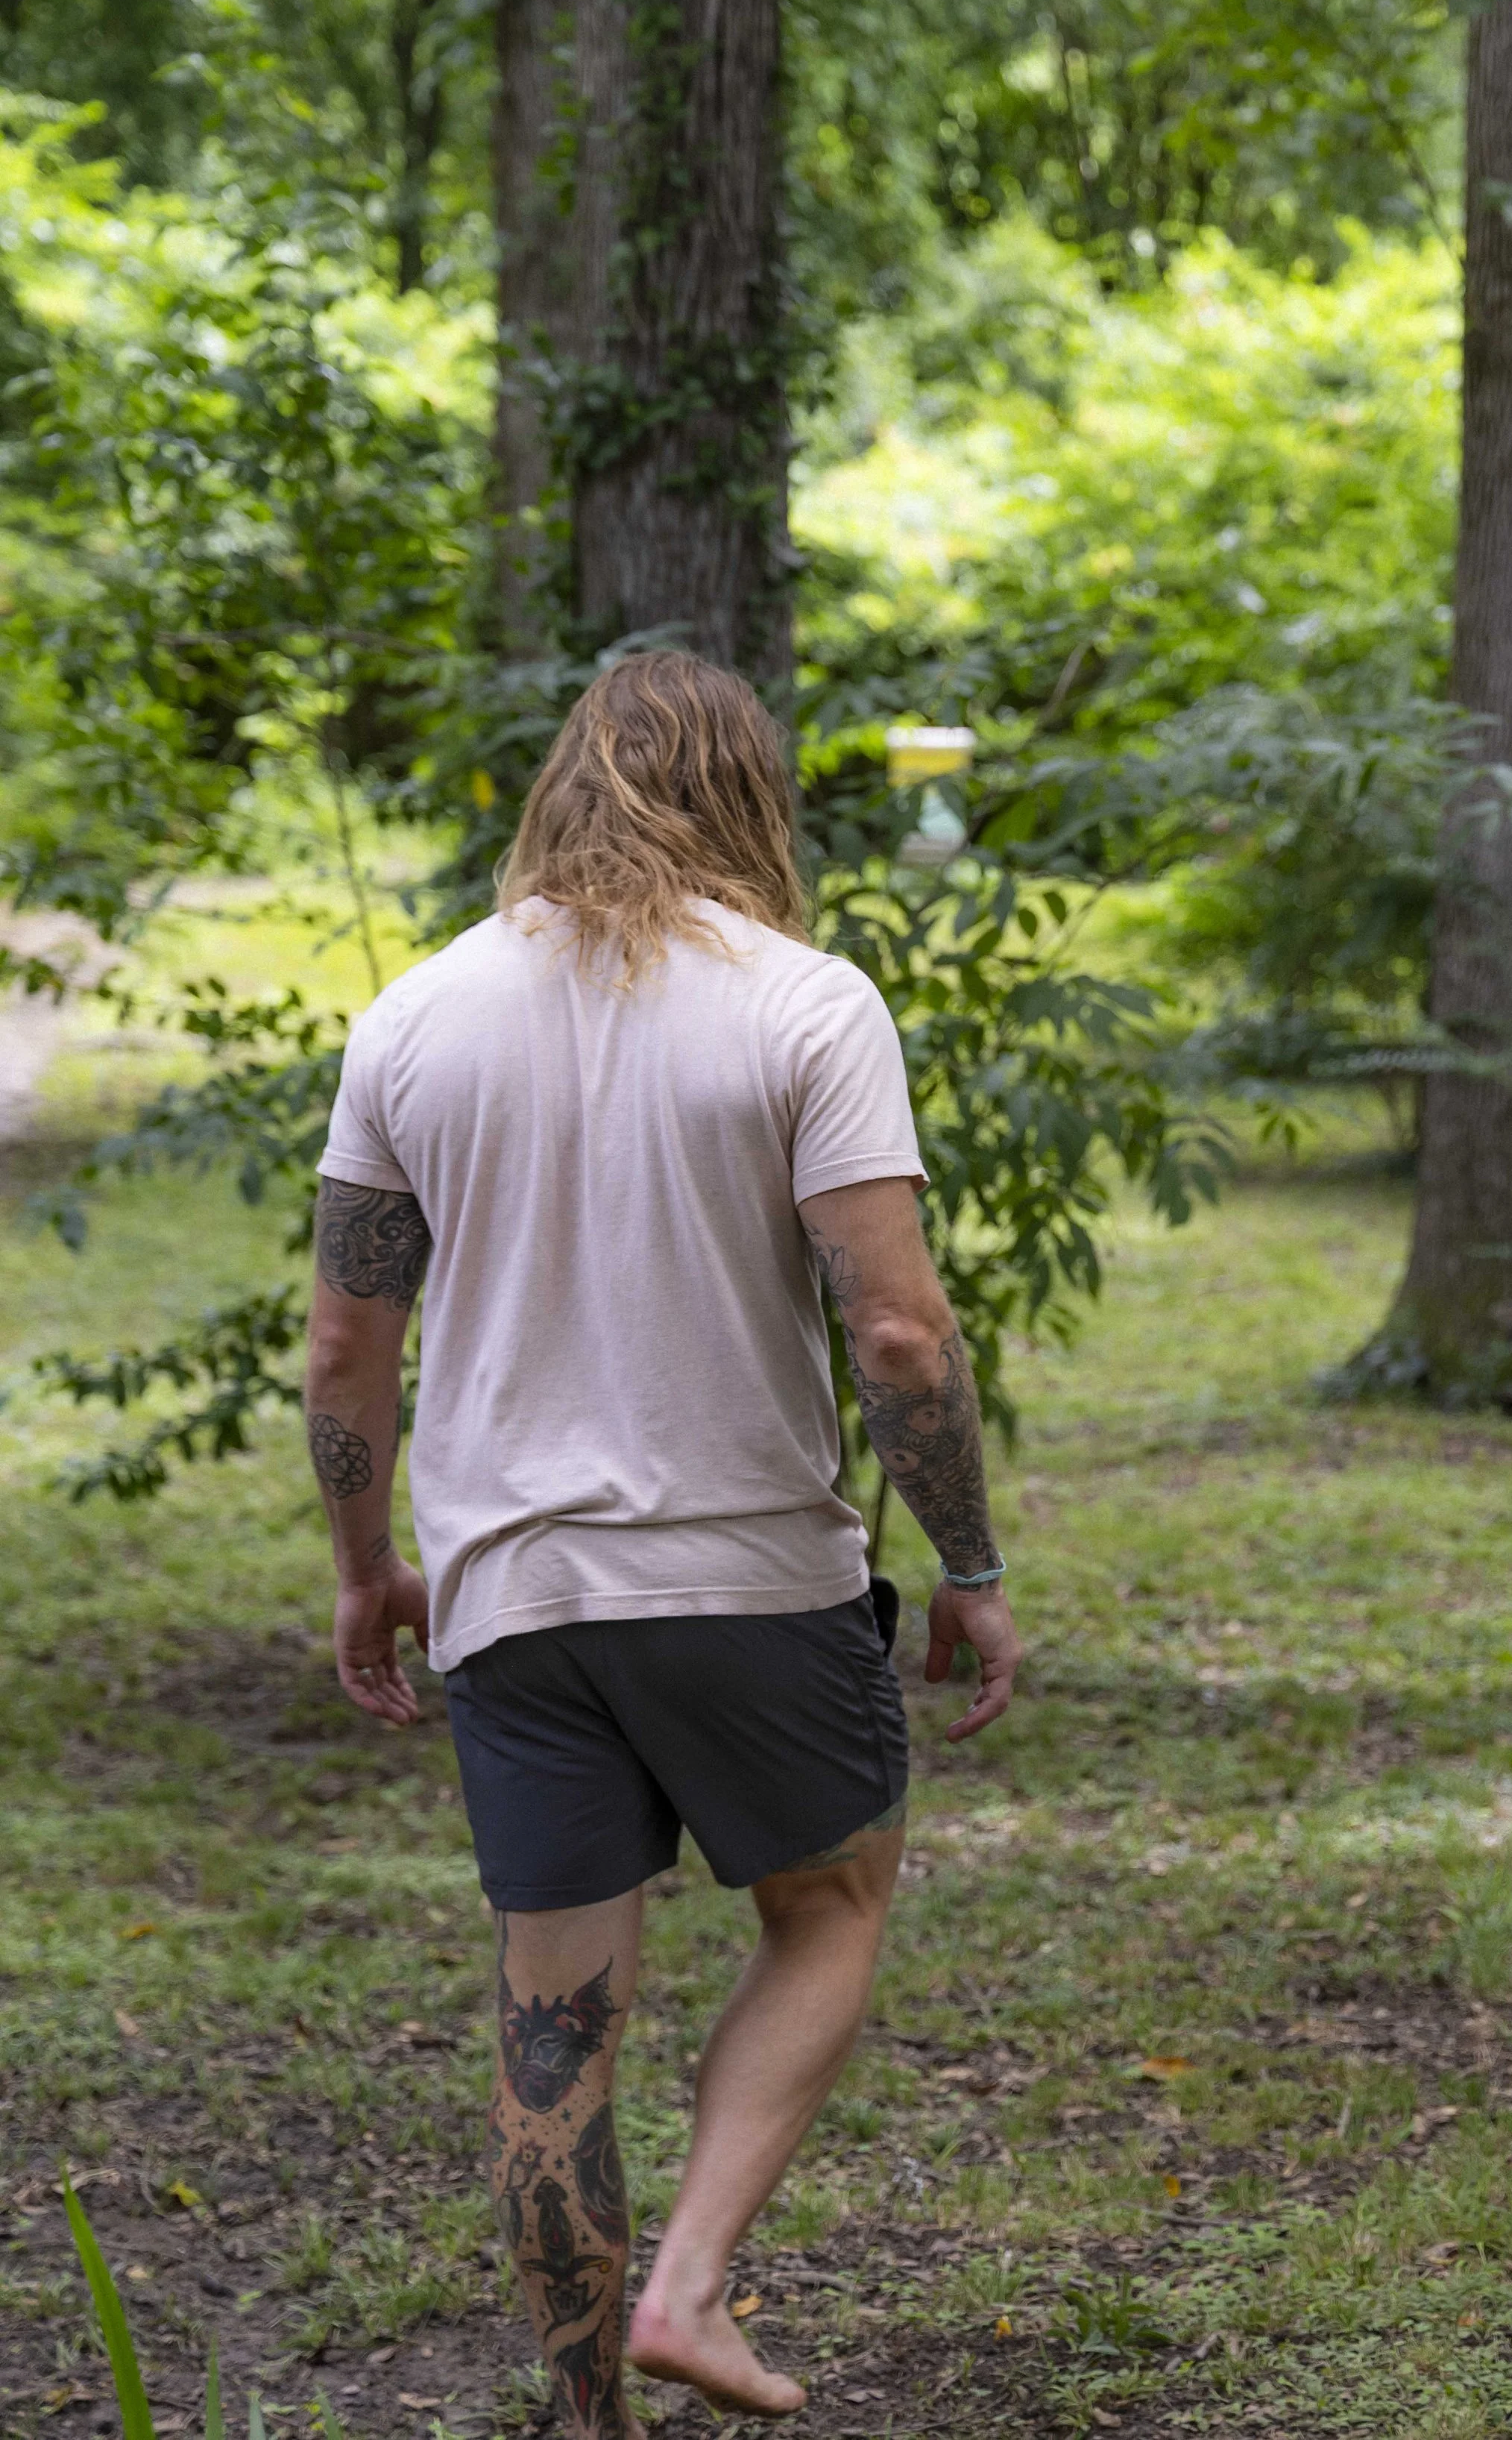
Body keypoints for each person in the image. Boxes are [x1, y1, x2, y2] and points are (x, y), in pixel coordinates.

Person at [301, 650, 1023, 2433]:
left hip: (508, 1594)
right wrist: (972, 1565)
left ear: (560, 785)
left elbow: (342, 1343)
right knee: (832, 1899)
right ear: (748, 796)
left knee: (555, 2035)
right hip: (750, 1579)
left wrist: (364, 1565)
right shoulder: (804, 1004)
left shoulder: (413, 1016)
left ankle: (580, 2422)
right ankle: (688, 2290)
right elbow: (902, 1334)